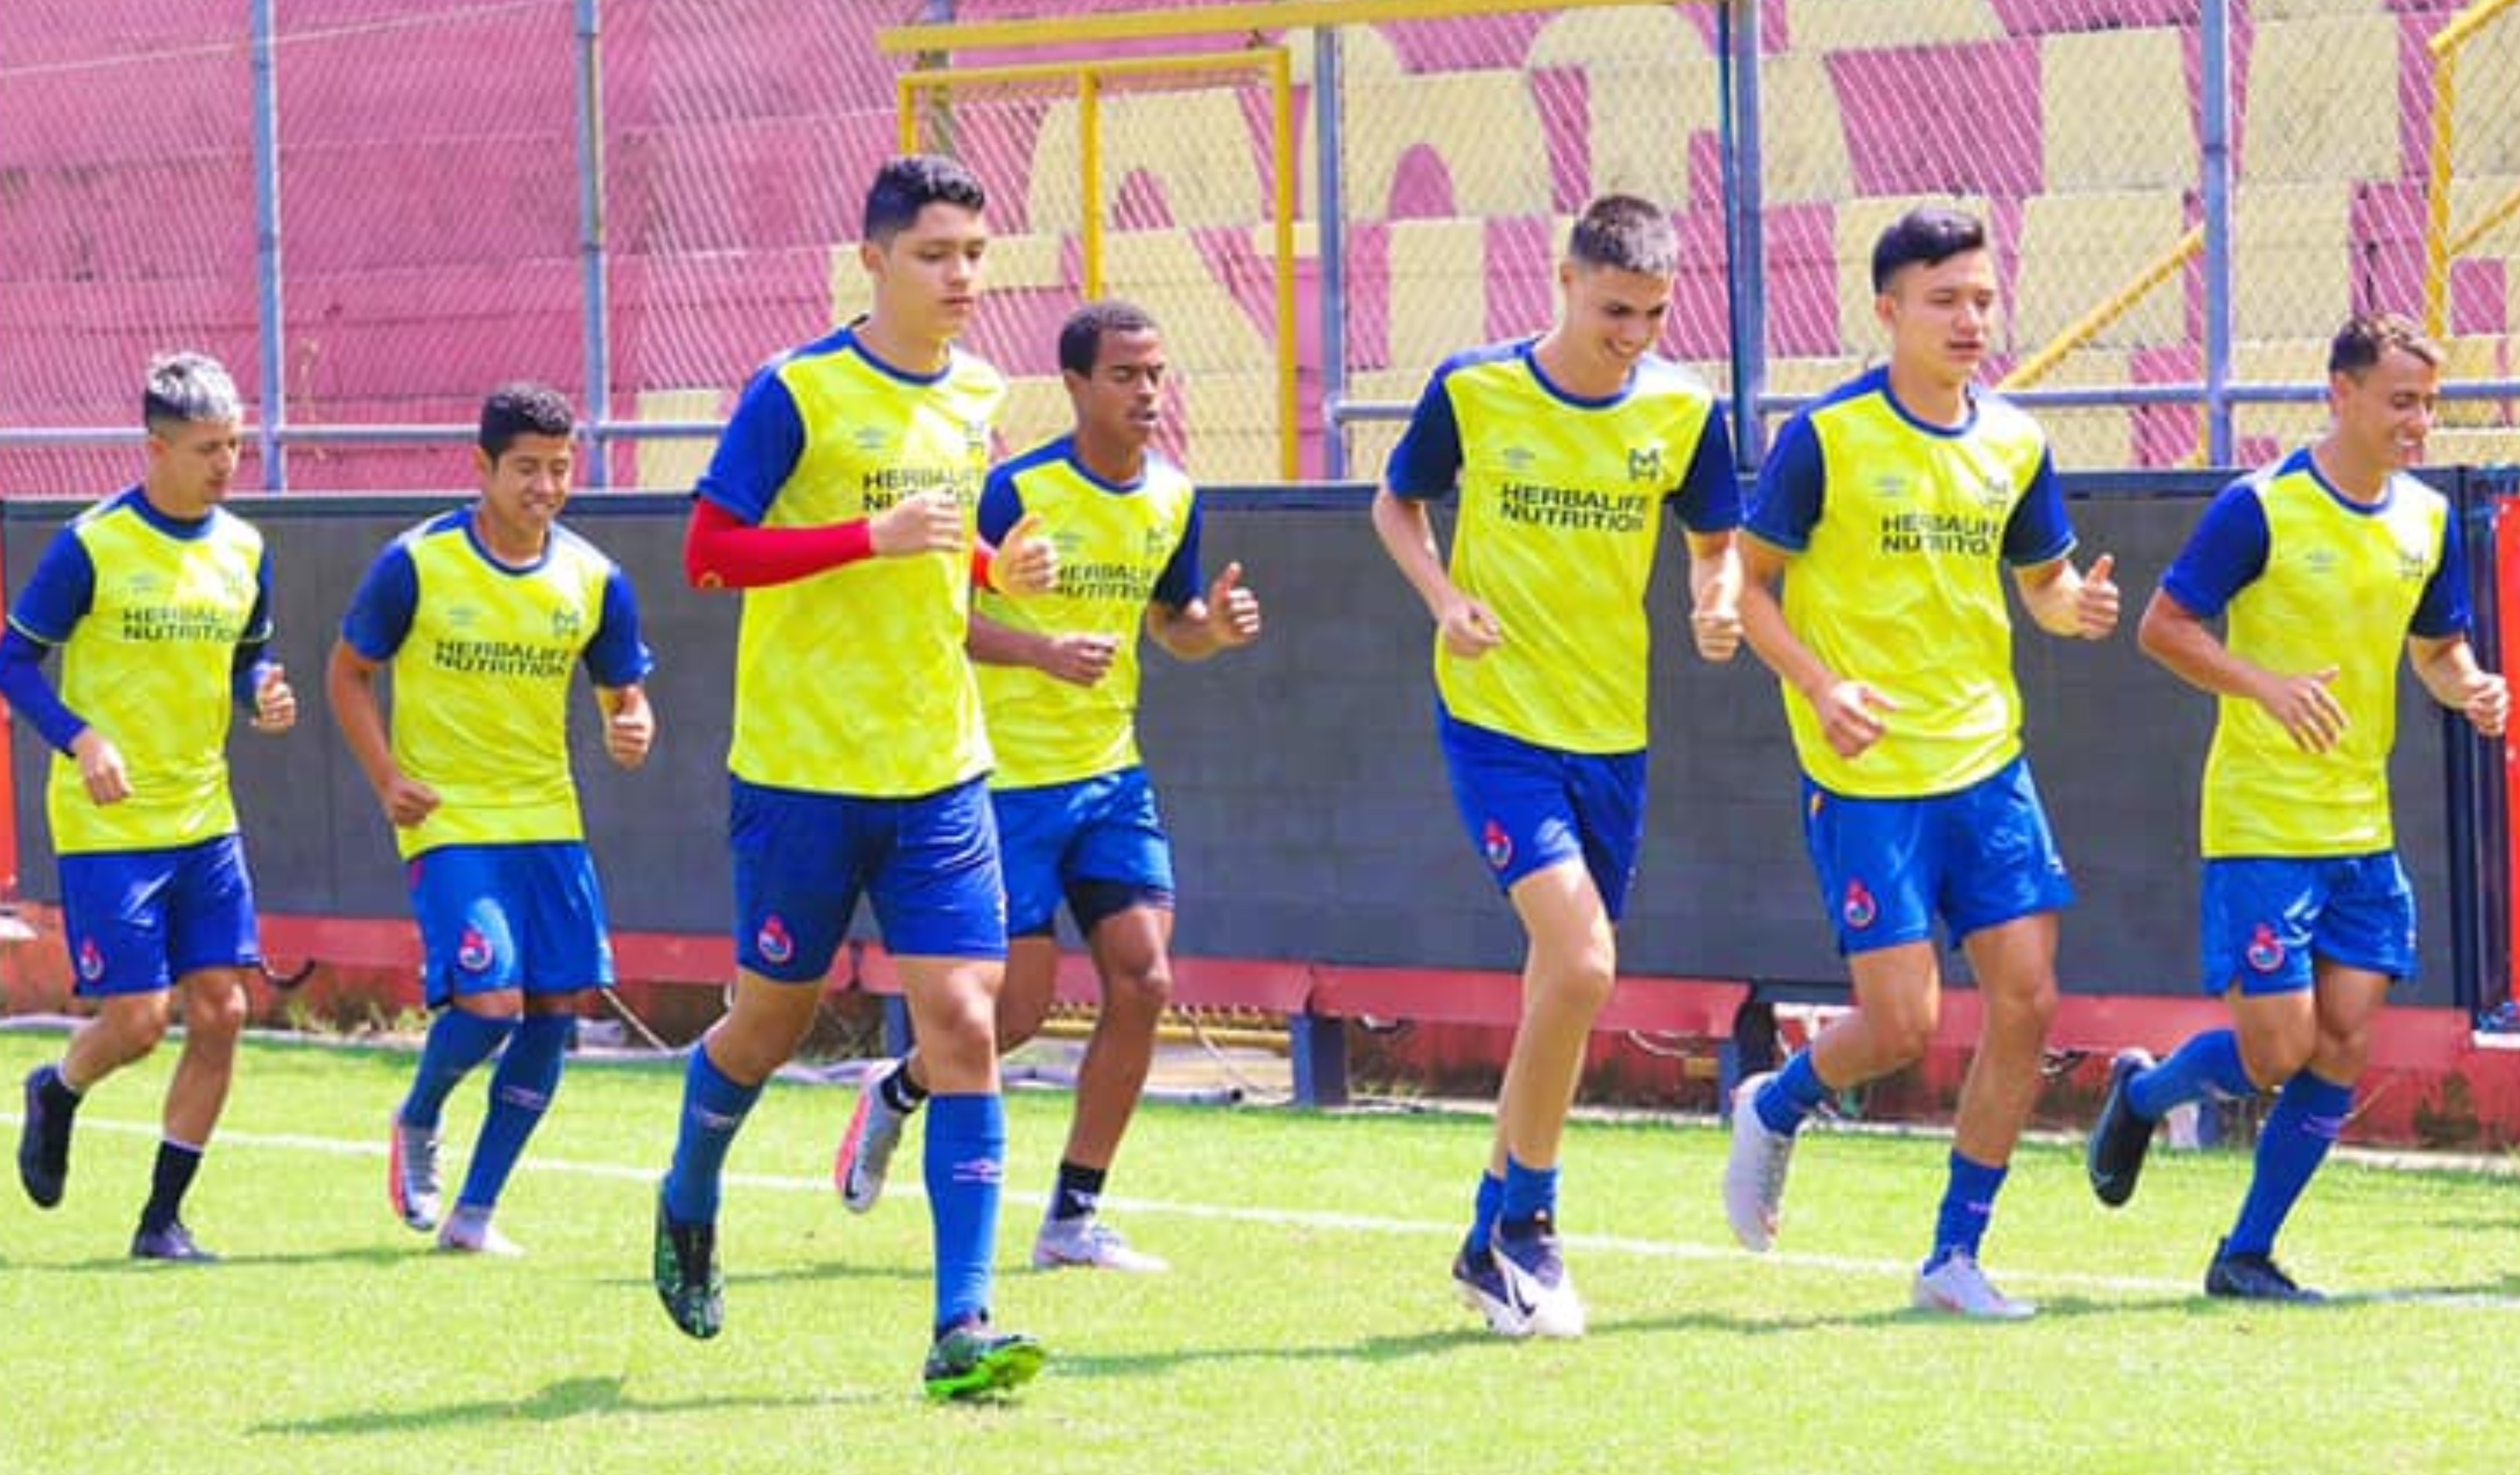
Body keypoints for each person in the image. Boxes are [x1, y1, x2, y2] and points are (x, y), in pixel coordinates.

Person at [649, 154, 1057, 1402]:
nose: (960, 278)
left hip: (939, 769)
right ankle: (688, 1193)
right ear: (871, 259)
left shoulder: (980, 390)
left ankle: (962, 1329)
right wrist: (859, 539)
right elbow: (708, 553)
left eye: (975, 255)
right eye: (934, 255)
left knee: (967, 1024)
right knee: (767, 1022)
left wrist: (1004, 565)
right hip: (799, 775)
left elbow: (961, 535)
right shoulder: (796, 393)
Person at [1722, 206, 2119, 1318]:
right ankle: (1780, 1100)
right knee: (1899, 1025)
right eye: (1944, 299)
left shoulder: (2016, 441)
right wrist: (1820, 682)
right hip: (1868, 773)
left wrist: (2071, 604)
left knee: (2027, 1000)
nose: (1970, 319)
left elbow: (2039, 585)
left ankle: (1955, 1254)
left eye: (1984, 298)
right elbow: (1747, 586)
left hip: (1988, 759)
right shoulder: (1827, 436)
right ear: (1889, 310)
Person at [1370, 194, 1743, 1339]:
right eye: (1614, 308)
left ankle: (1487, 1240)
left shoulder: (1685, 409)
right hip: (1496, 722)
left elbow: (1714, 539)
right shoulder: (1476, 390)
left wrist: (1713, 600)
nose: (1633, 332)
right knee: (1583, 965)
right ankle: (1532, 1222)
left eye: (1654, 312)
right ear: (1566, 280)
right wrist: (1444, 599)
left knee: (1558, 986)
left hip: (1612, 731)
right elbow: (1397, 502)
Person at [831, 300, 1262, 1273]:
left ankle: (1072, 1214)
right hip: (1005, 787)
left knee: (1145, 980)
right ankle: (897, 1091)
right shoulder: (1013, 490)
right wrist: (1038, 649)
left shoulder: (1173, 497)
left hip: (1111, 781)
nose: (1147, 392)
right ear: (1074, 385)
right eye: (1124, 375)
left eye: (1156, 374)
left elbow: (1173, 622)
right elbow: (940, 617)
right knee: (1012, 1015)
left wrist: (1214, 630)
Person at [2086, 314, 2505, 1300]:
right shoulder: (2259, 507)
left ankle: (2245, 1253)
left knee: (2345, 1040)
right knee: (2277, 1050)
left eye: (2431, 405)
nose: (2419, 424)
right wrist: (2261, 683)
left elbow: (2438, 651)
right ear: (2342, 393)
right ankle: (2143, 1092)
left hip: (2363, 828)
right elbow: (2163, 626)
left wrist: (2474, 684)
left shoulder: (2427, 518)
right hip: (2263, 823)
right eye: (2402, 402)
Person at [327, 383, 655, 1257]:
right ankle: (420, 1112)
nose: (544, 485)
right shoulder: (418, 562)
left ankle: (475, 1211)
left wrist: (634, 722)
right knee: (489, 999)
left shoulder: (592, 577)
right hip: (449, 818)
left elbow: (626, 689)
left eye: (558, 467)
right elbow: (348, 671)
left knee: (551, 1010)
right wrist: (387, 774)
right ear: (481, 467)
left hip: (548, 820)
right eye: (525, 469)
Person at [3, 352, 297, 1261]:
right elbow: (13, 660)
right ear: (155, 447)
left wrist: (263, 693)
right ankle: (57, 1089)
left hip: (205, 816)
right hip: (110, 823)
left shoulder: (246, 548)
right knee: (138, 1016)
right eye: (207, 447)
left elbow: (249, 655)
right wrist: (81, 737)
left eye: (235, 446)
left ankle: (161, 1219)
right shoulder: (91, 545)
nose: (224, 464)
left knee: (223, 1011)